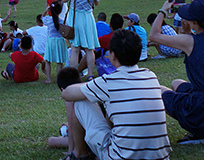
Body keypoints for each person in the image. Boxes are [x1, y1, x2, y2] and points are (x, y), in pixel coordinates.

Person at [61, 29, 170, 160]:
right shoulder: (150, 76)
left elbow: (67, 93)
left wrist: (85, 86)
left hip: (120, 157)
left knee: (81, 101)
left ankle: (79, 155)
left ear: (112, 55)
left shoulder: (109, 82)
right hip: (160, 156)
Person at [148, 0, 204, 143]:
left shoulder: (191, 42)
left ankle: (201, 131)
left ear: (194, 23)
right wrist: (187, 31)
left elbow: (154, 36)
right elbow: (201, 48)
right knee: (177, 83)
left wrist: (162, 11)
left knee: (157, 89)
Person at [63, 0, 100, 79]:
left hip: (76, 19)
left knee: (75, 49)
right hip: (88, 19)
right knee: (90, 49)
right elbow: (96, 2)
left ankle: (73, 75)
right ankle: (90, 74)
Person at [43, 1, 70, 86]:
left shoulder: (48, 19)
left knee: (48, 60)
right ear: (60, 10)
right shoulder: (62, 21)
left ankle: (48, 79)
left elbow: (42, 17)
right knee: (59, 62)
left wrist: (46, 10)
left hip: (51, 41)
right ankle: (59, 78)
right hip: (60, 41)